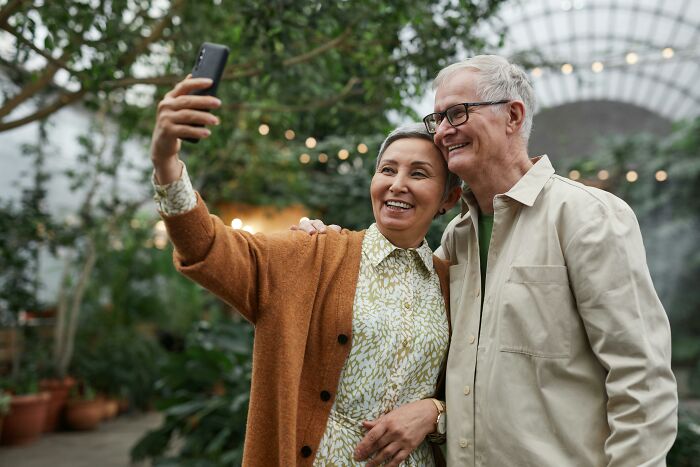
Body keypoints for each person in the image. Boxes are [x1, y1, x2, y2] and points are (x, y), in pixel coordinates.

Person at [301, 55, 679, 466]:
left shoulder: (587, 216)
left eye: (457, 113)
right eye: (438, 118)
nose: (443, 131)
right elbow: (449, 365)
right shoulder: (455, 240)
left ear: (513, 116)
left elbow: (641, 380)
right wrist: (329, 248)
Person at [149, 76, 463, 466]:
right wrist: (165, 160)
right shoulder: (313, 255)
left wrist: (436, 412)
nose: (397, 185)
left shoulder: (454, 283)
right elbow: (206, 246)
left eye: (418, 174)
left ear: (448, 197)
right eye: (387, 170)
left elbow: (476, 388)